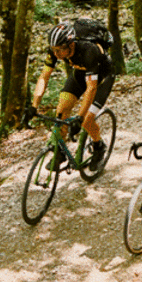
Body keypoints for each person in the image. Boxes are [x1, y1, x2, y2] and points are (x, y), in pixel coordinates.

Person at [30, 21, 114, 171]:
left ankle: (98, 145)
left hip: (103, 76)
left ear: (72, 45)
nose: (56, 54)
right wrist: (33, 106)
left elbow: (92, 88)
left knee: (87, 120)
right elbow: (44, 76)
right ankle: (60, 152)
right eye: (53, 50)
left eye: (60, 50)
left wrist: (80, 117)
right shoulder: (56, 50)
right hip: (81, 73)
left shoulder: (89, 51)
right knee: (62, 109)